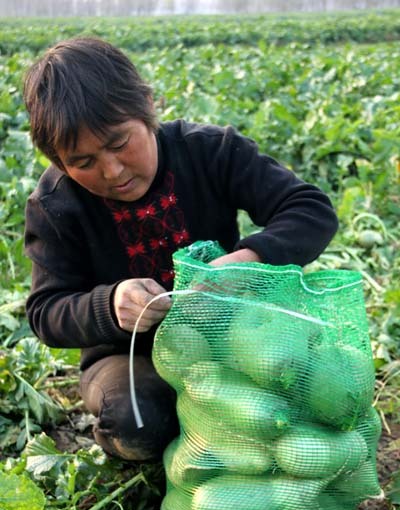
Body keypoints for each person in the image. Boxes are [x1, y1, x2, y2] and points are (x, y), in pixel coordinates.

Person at [23, 37, 338, 462]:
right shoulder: (55, 205)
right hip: (130, 357)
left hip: (232, 331)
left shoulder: (209, 151)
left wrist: (249, 260)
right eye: (83, 163)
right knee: (137, 422)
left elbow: (311, 210)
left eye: (119, 143)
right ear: (59, 162)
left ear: (148, 107)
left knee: (298, 383)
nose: (112, 171)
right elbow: (46, 311)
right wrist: (110, 305)